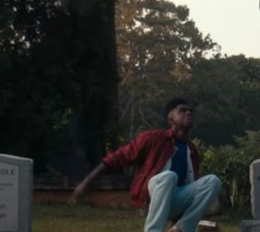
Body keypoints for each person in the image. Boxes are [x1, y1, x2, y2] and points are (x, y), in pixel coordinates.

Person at [69, 98, 222, 232]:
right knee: (169, 176)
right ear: (171, 120)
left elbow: (191, 187)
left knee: (213, 181)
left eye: (190, 111)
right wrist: (85, 184)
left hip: (174, 200)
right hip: (152, 196)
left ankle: (181, 229)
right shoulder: (152, 138)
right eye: (182, 111)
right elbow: (116, 158)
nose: (189, 113)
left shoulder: (192, 151)